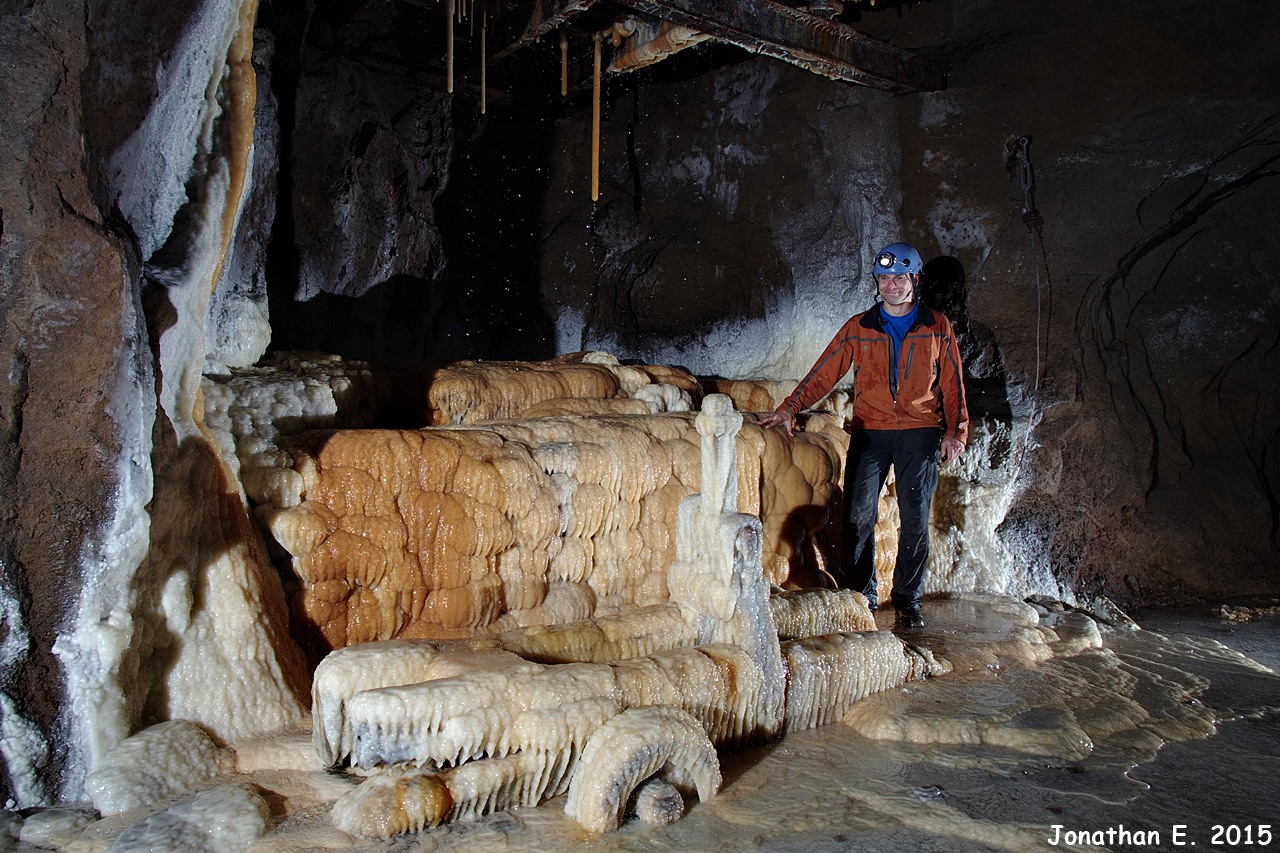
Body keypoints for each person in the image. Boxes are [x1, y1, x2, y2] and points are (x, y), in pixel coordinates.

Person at [758, 242, 969, 629]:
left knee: (915, 519)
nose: (891, 285)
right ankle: (862, 596)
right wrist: (790, 407)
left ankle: (907, 599)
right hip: (872, 431)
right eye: (884, 278)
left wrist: (956, 431)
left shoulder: (937, 326)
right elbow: (824, 371)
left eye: (899, 278)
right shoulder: (861, 327)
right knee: (858, 517)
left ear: (915, 280)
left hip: (920, 431)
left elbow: (953, 383)